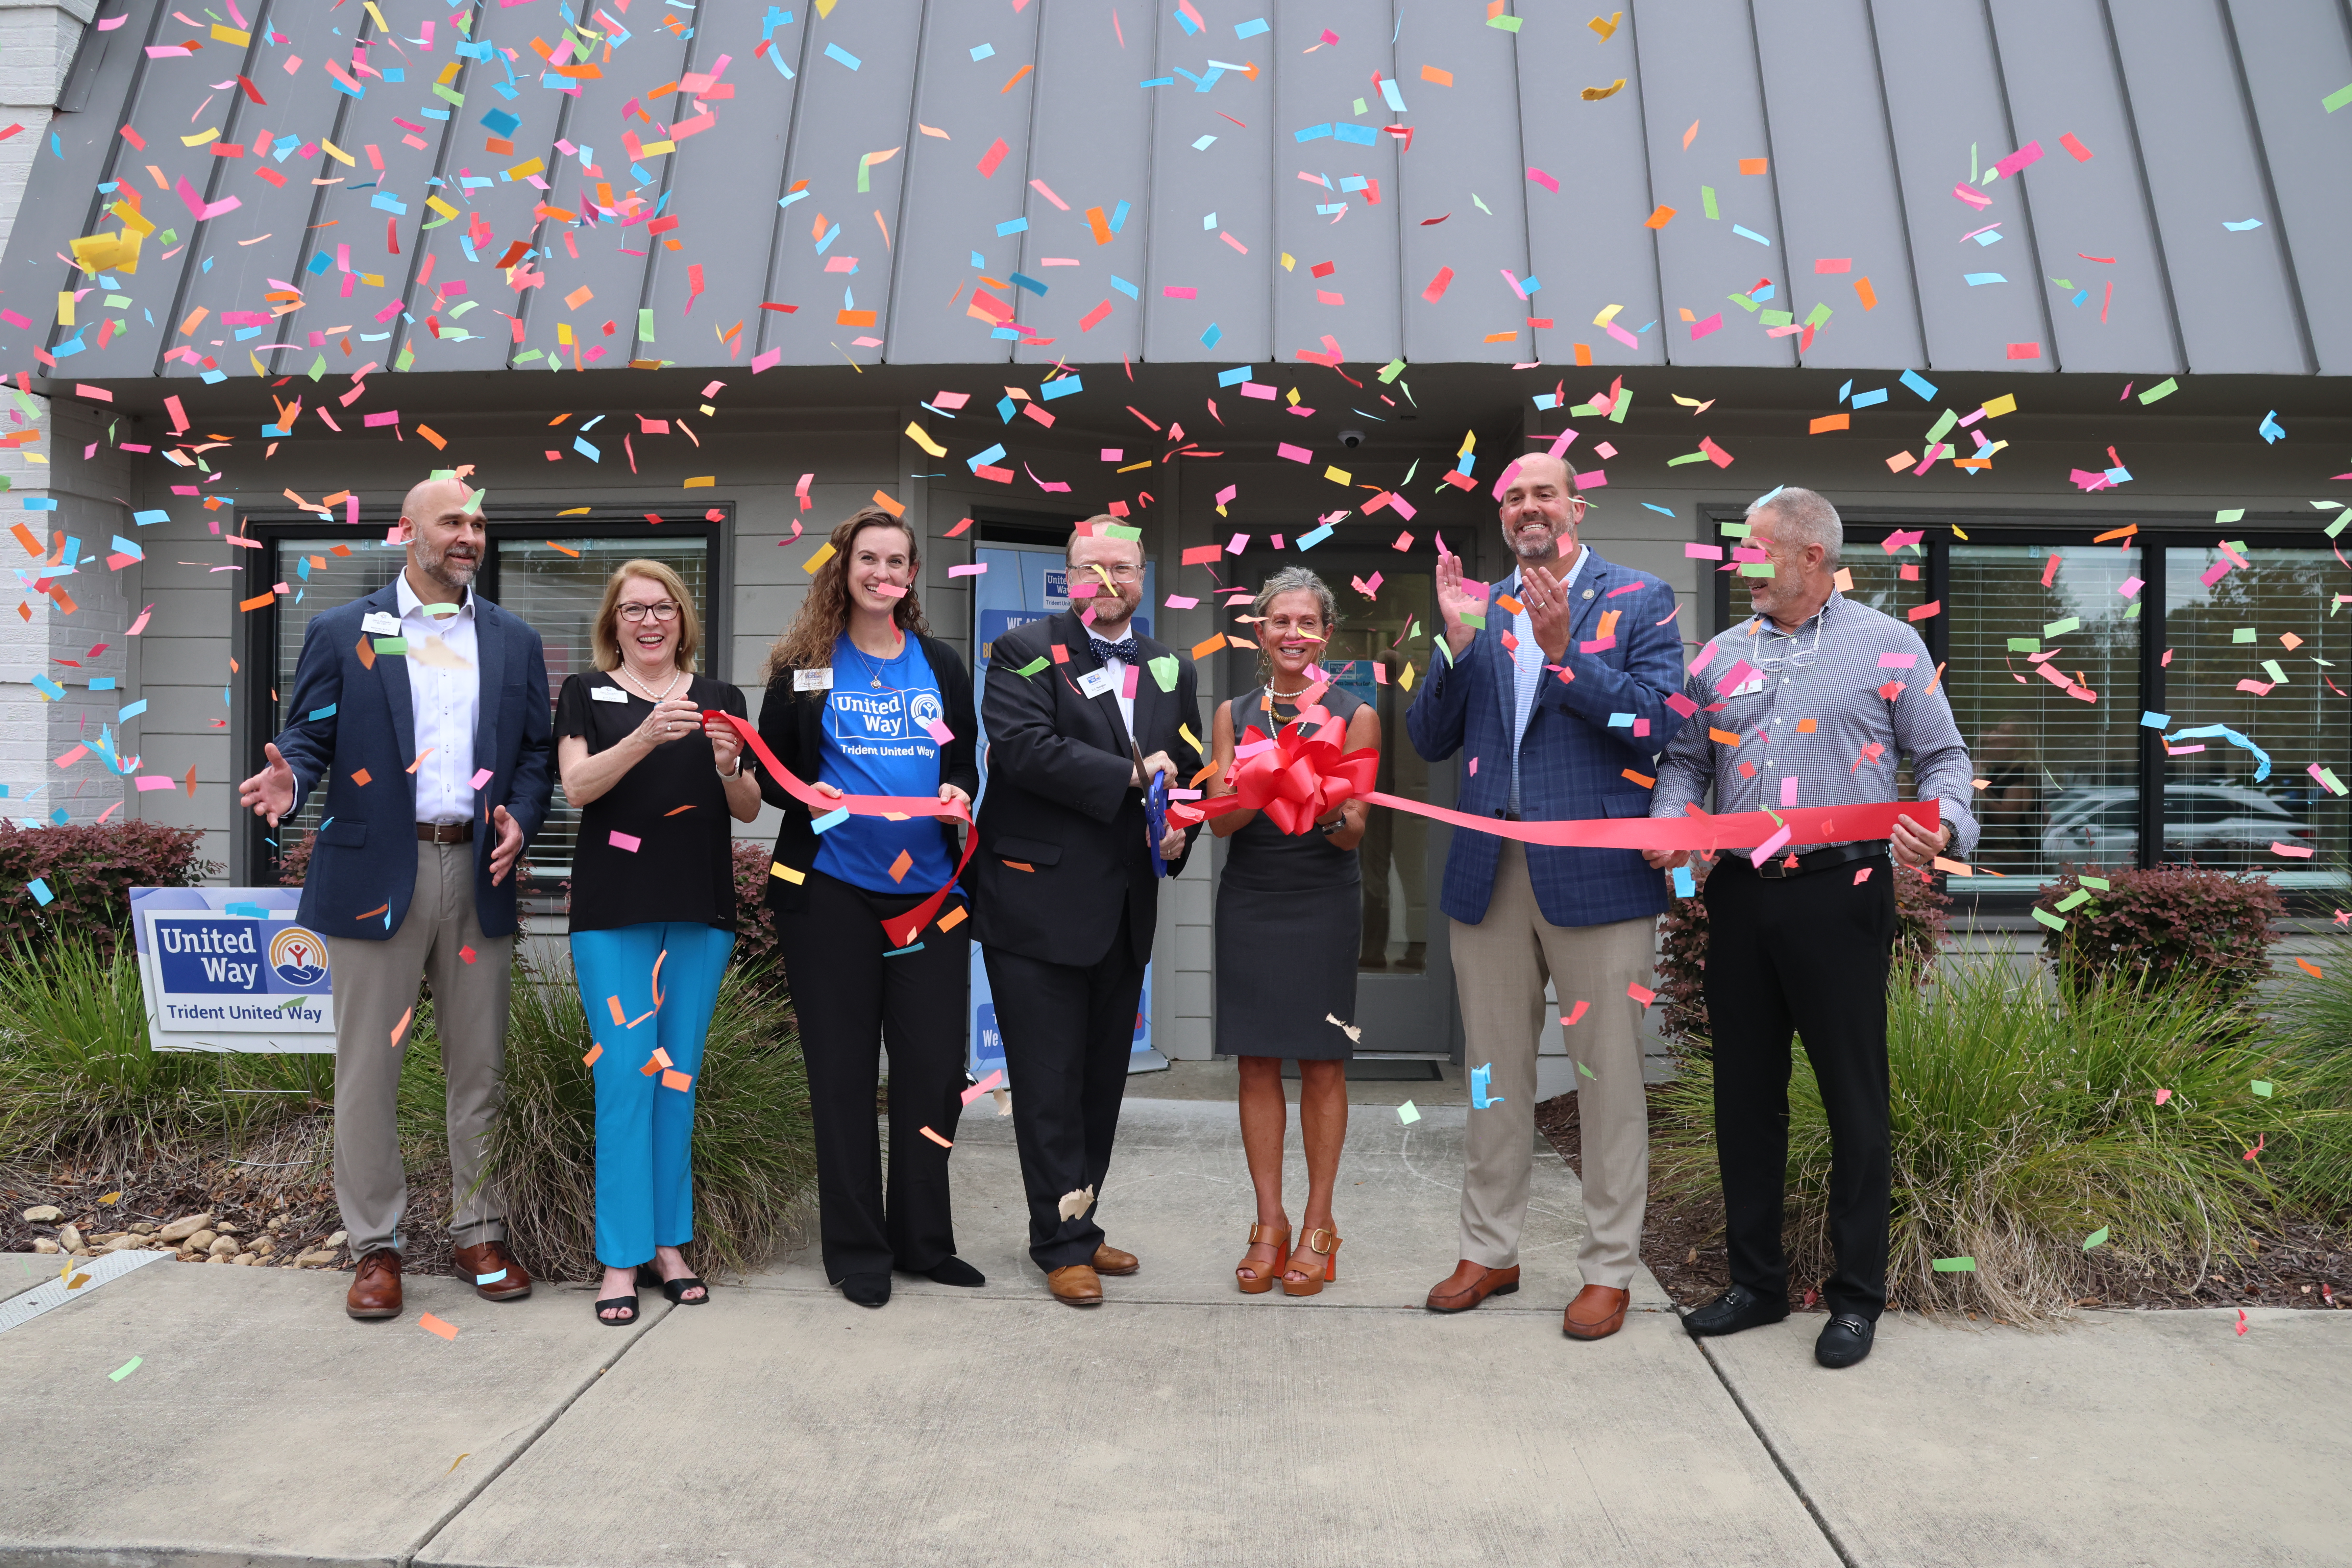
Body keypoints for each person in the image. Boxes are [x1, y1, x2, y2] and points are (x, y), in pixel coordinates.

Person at [1649, 486, 1977, 1370]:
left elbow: (1944, 759)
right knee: (1743, 1101)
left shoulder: (1890, 646)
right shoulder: (1715, 659)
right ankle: (1756, 1285)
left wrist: (1943, 826)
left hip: (1843, 893)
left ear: (1810, 559)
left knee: (1852, 1102)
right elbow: (1683, 769)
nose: (1738, 566)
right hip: (1743, 899)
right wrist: (1674, 828)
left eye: (1755, 551)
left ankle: (1856, 1299)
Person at [239, 475, 554, 1321]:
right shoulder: (347, 631)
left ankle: (478, 1230)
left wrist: (522, 816)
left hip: (477, 873)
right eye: (453, 521)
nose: (469, 536)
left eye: (479, 524)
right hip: (376, 874)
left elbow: (535, 754)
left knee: (478, 1069)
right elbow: (308, 736)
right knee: (368, 1071)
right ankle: (375, 1247)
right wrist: (291, 780)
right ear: (405, 532)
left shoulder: (515, 640)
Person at [1404, 453, 1684, 1341]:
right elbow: (1429, 735)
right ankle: (1489, 1250)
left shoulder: (1641, 598)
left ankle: (1609, 1268)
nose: (1529, 506)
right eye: (1514, 495)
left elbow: (1661, 724)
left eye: (1544, 492)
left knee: (1606, 1080)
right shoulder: (1477, 608)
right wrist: (1450, 647)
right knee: (1493, 1077)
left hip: (1599, 876)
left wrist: (1566, 659)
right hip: (1489, 871)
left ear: (1578, 505)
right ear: (1502, 514)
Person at [968, 516, 1201, 1307]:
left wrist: (1178, 833)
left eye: (1123, 568)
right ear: (1066, 576)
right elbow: (1026, 749)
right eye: (1092, 568)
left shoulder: (1171, 664)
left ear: (1144, 575)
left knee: (1101, 1082)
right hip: (1035, 901)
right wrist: (1138, 780)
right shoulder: (1025, 648)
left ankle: (1083, 1222)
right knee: (1047, 1081)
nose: (1108, 582)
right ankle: (1057, 1241)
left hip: (1127, 903)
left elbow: (1189, 768)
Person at [759, 508, 982, 1310]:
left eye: (898, 561)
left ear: (913, 576)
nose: (883, 573)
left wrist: (960, 787)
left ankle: (925, 1241)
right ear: (843, 568)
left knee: (929, 1074)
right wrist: (789, 786)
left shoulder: (942, 664)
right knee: (844, 1076)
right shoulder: (802, 664)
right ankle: (858, 1250)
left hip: (929, 895)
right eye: (869, 559)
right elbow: (774, 772)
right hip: (829, 892)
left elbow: (963, 758)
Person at [555, 560, 760, 1325]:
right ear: (613, 621)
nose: (650, 620)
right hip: (614, 914)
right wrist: (645, 735)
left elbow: (746, 808)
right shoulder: (585, 693)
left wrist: (729, 765)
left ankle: (671, 1245)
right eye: (634, 608)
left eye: (663, 607)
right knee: (625, 1080)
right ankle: (620, 1257)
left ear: (683, 619)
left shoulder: (722, 700)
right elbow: (577, 789)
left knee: (678, 1079)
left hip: (699, 910)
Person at [1206, 567, 1379, 1296]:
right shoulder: (1232, 711)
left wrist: (1327, 805)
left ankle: (1318, 1226)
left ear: (1326, 634)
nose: (1294, 635)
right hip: (1252, 893)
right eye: (1281, 622)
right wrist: (1265, 777)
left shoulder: (1357, 713)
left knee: (1322, 1064)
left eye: (1308, 623)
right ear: (1260, 631)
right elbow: (1220, 820)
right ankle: (1269, 1222)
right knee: (1254, 1062)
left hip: (1322, 897)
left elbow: (1355, 833)